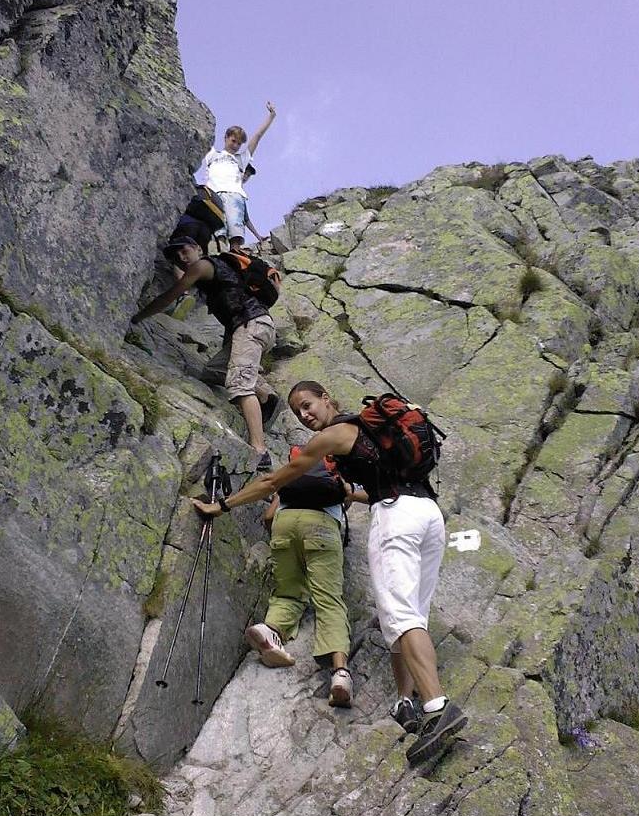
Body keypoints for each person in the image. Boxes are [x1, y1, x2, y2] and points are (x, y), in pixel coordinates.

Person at [191, 381, 467, 766]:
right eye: (299, 412)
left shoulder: (334, 435)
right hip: (428, 514)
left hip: (396, 518)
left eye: (308, 405)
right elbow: (370, 489)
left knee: (401, 617)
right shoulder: (375, 433)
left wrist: (224, 506)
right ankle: (408, 703)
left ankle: (438, 708)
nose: (305, 415)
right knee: (409, 617)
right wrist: (350, 493)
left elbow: (273, 482)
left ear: (327, 398)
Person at [131, 236, 279, 470]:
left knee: (240, 386)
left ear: (198, 248)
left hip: (250, 325)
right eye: (176, 256)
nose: (181, 256)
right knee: (212, 372)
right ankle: (265, 396)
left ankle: (260, 451)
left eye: (184, 250)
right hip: (252, 326)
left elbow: (171, 295)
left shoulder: (203, 265)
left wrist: (138, 316)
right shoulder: (218, 269)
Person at [245, 451, 359, 707]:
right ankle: (340, 673)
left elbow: (268, 517)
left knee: (287, 591)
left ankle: (270, 630)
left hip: (284, 523)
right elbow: (348, 496)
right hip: (321, 525)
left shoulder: (297, 466)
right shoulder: (339, 469)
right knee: (329, 601)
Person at [202, 103, 276, 252]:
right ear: (226, 138)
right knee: (218, 229)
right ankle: (218, 254)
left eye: (239, 143)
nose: (235, 145)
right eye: (233, 141)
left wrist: (271, 117)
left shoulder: (241, 159)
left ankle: (235, 255)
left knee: (235, 230)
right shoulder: (212, 154)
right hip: (213, 194)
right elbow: (201, 135)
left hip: (234, 195)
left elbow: (257, 136)